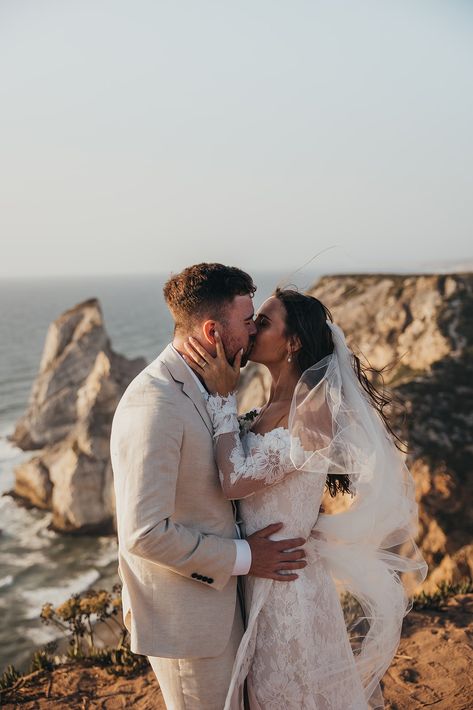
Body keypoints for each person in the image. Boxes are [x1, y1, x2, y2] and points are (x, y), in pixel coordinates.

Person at [183, 287, 428, 709]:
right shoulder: (266, 407)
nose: (253, 330)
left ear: (292, 343)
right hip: (257, 574)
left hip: (288, 588)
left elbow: (235, 482)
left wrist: (222, 396)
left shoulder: (314, 411)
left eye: (264, 323)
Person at [110, 265, 308, 710]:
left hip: (224, 605)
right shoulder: (155, 404)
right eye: (247, 320)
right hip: (188, 624)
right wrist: (246, 556)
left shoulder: (210, 386)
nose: (254, 328)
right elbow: (143, 533)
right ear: (212, 331)